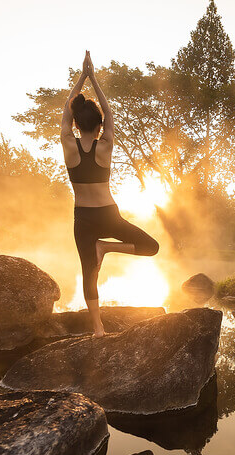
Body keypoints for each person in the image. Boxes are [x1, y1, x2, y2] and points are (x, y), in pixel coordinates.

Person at [61, 50, 159, 337]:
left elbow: (66, 111)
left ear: (77, 124)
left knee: (89, 271)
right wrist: (94, 78)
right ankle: (107, 247)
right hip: (108, 215)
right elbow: (110, 113)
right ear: (100, 125)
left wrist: (82, 77)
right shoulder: (106, 146)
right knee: (151, 247)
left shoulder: (69, 145)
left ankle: (98, 328)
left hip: (83, 218)